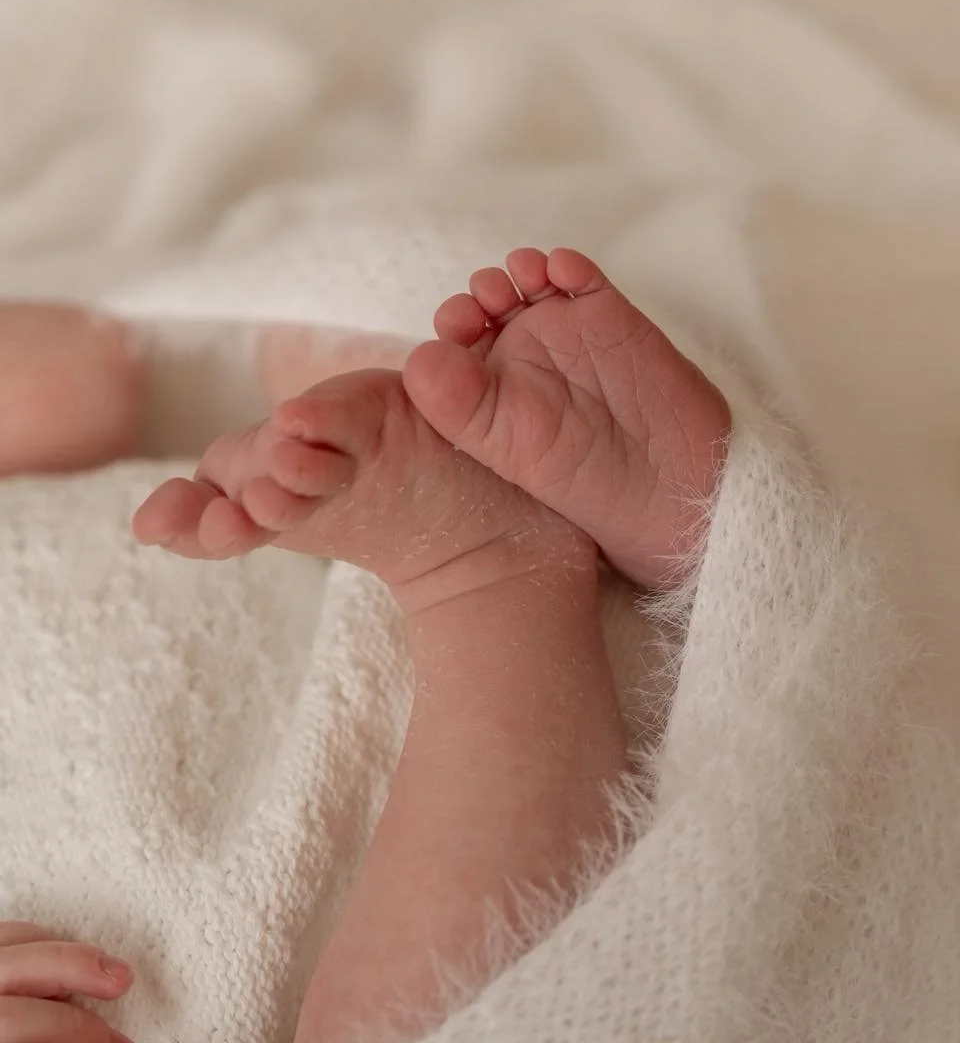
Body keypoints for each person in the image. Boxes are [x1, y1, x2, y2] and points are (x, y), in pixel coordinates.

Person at [1, 248, 730, 1042]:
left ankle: (551, 503)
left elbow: (79, 378)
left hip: (282, 617)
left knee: (293, 386)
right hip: (350, 857)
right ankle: (522, 550)